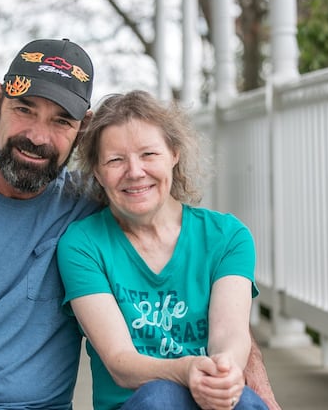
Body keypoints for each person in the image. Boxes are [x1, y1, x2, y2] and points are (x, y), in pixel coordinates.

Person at [0, 39, 278, 409]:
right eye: (25, 110)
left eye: (61, 121)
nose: (39, 137)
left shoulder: (93, 198)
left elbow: (211, 299)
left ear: (81, 132)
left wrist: (261, 397)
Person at [57, 90, 274, 410]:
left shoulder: (226, 237)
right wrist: (185, 370)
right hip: (137, 403)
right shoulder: (83, 245)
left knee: (242, 402)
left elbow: (230, 332)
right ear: (98, 172)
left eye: (148, 154)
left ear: (174, 152)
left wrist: (225, 370)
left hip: (213, 399)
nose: (134, 171)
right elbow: (120, 362)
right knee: (162, 397)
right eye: (116, 160)